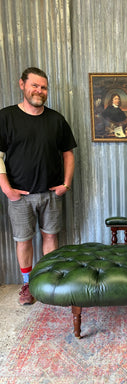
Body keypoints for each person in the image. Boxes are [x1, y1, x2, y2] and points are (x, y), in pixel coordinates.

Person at [0, 67, 77, 305]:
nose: (39, 91)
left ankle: (49, 280)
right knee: (24, 240)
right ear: (21, 84)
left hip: (52, 193)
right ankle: (27, 284)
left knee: (50, 237)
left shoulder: (56, 120)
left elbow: (68, 154)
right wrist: (7, 189)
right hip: (20, 196)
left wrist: (66, 183)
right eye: (34, 85)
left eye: (43, 87)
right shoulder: (6, 117)